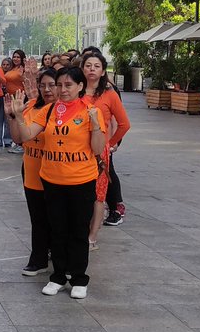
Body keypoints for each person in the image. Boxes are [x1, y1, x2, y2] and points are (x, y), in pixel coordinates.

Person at [10, 66, 106, 299]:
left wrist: (94, 125)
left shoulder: (91, 111)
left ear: (80, 86)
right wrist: (19, 115)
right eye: (59, 85)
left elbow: (97, 148)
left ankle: (79, 277)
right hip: (52, 179)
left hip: (81, 179)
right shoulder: (51, 110)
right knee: (57, 229)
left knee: (78, 230)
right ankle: (59, 276)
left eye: (68, 85)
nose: (62, 90)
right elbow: (26, 135)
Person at [8, 67, 57, 275]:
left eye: (52, 85)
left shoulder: (64, 112)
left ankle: (58, 255)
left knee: (56, 218)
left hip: (56, 173)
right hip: (31, 169)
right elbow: (19, 138)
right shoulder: (30, 108)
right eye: (42, 85)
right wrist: (12, 116)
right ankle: (38, 258)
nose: (47, 90)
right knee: (37, 218)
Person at [82, 52, 131, 244]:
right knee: (80, 193)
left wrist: (110, 144)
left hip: (99, 153)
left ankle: (92, 237)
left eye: (96, 66)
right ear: (82, 69)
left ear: (103, 71)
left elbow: (124, 124)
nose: (92, 69)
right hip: (76, 150)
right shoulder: (74, 93)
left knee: (98, 195)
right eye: (88, 65)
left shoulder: (109, 95)